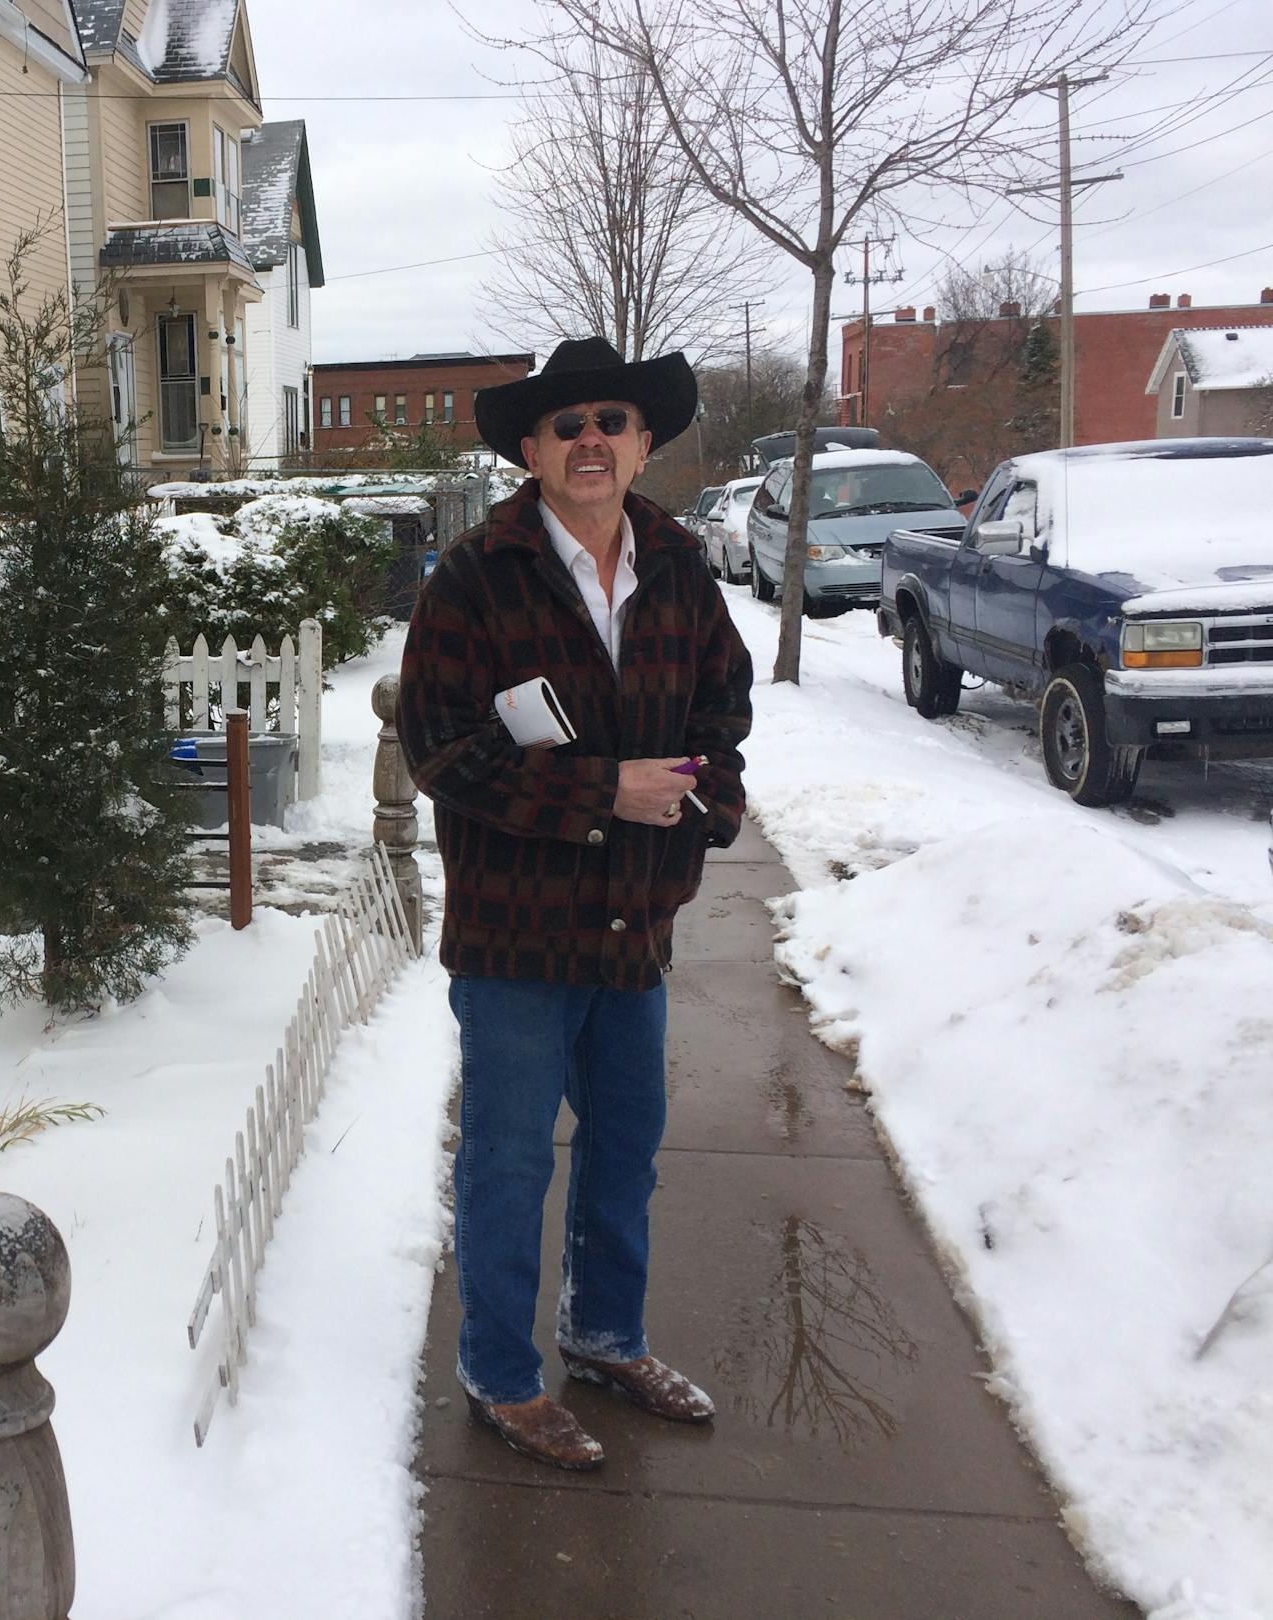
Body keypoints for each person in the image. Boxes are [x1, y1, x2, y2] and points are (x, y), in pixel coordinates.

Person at [396, 336, 754, 1470]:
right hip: (515, 933)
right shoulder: (473, 578)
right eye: (567, 425)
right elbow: (440, 752)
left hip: (636, 923)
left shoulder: (682, 566)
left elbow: (721, 712)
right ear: (530, 450)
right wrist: (605, 791)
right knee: (508, 1160)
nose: (591, 439)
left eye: (613, 419)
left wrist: (710, 805)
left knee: (625, 1150)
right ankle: (501, 1374)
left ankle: (606, 1337)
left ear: (644, 441)